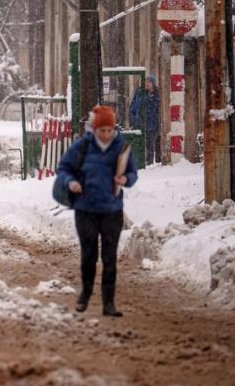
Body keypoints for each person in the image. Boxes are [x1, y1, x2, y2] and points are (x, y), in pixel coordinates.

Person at [57, 105, 138, 317]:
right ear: (94, 129)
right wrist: (71, 181)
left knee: (110, 257)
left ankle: (108, 302)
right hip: (86, 209)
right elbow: (64, 168)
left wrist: (125, 179)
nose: (106, 134)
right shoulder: (82, 146)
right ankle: (86, 292)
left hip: (112, 210)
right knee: (89, 254)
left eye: (109, 130)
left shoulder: (121, 147)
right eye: (102, 130)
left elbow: (132, 173)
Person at [129, 75, 161, 166]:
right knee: (140, 144)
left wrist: (151, 97)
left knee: (150, 145)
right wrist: (133, 119)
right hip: (140, 123)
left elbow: (156, 106)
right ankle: (140, 163)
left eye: (148, 82)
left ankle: (149, 164)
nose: (146, 83)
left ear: (153, 84)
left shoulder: (157, 93)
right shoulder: (139, 92)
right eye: (145, 81)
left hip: (153, 123)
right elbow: (133, 106)